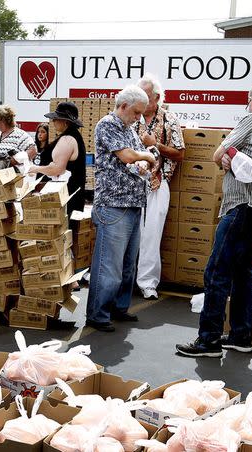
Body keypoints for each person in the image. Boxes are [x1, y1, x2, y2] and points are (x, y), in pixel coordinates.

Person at [176, 82, 252, 358]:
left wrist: (225, 156)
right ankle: (241, 334)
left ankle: (209, 340)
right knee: (243, 274)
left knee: (217, 271)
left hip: (241, 204)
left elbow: (217, 154)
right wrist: (230, 157)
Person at [85, 85, 157, 333]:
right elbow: (128, 156)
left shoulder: (129, 129)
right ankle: (98, 313)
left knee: (127, 264)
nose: (139, 118)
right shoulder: (108, 124)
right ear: (124, 106)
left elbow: (134, 160)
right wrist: (146, 158)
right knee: (109, 265)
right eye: (137, 112)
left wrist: (143, 164)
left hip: (132, 202)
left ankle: (118, 307)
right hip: (114, 204)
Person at [133, 74, 185, 300]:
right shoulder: (130, 117)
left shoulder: (169, 118)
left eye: (145, 95)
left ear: (156, 97)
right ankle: (126, 280)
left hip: (157, 183)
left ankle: (147, 282)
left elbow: (180, 153)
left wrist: (156, 145)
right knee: (130, 234)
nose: (141, 100)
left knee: (152, 234)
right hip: (130, 184)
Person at [28, 102, 86, 216]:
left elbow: (57, 169)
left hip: (66, 196)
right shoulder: (74, 137)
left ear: (65, 122)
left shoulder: (67, 139)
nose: (53, 121)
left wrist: (36, 169)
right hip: (71, 195)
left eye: (56, 119)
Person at [0, 105, 35, 175]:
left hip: (6, 179)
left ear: (3, 120)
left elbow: (33, 151)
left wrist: (14, 161)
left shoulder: (20, 135)